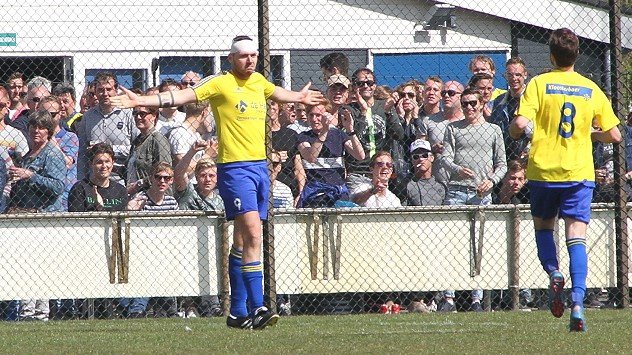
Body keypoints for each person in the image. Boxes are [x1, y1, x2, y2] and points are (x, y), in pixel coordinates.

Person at [110, 35, 324, 330]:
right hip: (234, 170)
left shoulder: (259, 81)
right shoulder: (220, 83)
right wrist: (143, 100)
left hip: (260, 168)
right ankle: (259, 305)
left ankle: (236, 312)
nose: (249, 61)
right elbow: (182, 97)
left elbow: (277, 93)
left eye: (253, 56)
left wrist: (300, 98)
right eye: (243, 56)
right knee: (253, 234)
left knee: (241, 240)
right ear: (230, 59)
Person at [509, 28, 622, 332]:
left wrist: (516, 130)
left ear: (551, 55)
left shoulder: (539, 84)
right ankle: (578, 303)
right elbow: (614, 134)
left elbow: (520, 122)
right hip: (578, 173)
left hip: (544, 171)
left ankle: (553, 272)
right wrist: (589, 133)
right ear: (577, 55)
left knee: (544, 227)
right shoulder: (589, 88)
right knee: (577, 237)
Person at [8, 110, 65, 321]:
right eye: (33, 127)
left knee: (41, 265)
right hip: (25, 216)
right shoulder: (26, 156)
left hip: (45, 217)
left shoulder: (52, 154)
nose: (36, 131)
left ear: (49, 131)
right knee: (26, 265)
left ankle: (41, 312)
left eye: (41, 127)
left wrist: (31, 175)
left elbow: (58, 186)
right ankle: (26, 311)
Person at [124, 162, 180, 318]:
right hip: (144, 250)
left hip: (165, 250)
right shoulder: (142, 200)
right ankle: (138, 308)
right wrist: (131, 209)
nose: (162, 181)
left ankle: (167, 306)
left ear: (171, 181)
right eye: (158, 177)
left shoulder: (171, 202)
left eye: (166, 178)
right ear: (151, 178)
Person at [297, 100, 364, 208]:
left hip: (338, 190)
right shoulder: (303, 136)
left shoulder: (338, 135)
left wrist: (350, 131)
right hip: (316, 191)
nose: (314, 119)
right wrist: (324, 132)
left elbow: (360, 155)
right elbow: (311, 157)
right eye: (311, 115)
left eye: (318, 115)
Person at [76, 72, 138, 184]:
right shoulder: (88, 117)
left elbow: (136, 149)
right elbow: (82, 153)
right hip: (94, 180)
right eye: (100, 90)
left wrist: (107, 149)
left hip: (122, 179)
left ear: (116, 90)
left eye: (108, 89)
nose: (105, 94)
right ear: (95, 91)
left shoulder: (128, 114)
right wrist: (81, 181)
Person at [420, 80, 464, 183]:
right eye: (443, 93)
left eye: (451, 93)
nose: (446, 96)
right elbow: (418, 149)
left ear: (461, 96)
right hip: (438, 183)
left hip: (464, 182)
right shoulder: (428, 121)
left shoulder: (469, 120)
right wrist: (432, 149)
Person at [40, 96, 79, 211]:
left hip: (64, 198)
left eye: (52, 115)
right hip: (41, 196)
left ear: (60, 114)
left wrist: (51, 139)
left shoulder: (70, 137)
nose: (48, 119)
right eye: (44, 114)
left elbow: (67, 163)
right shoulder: (35, 136)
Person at [489, 57, 530, 162]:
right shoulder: (499, 101)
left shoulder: (533, 99)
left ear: (525, 75)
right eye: (510, 75)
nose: (514, 78)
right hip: (504, 156)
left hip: (527, 156)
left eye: (518, 75)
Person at [125, 106, 172, 196]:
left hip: (154, 196)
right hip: (136, 195)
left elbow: (165, 171)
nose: (138, 117)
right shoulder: (137, 140)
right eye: (135, 114)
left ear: (154, 115)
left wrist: (139, 184)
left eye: (142, 114)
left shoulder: (157, 139)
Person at [404, 139, 446, 206]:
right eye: (416, 157)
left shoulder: (441, 187)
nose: (420, 159)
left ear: (432, 158)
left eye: (425, 155)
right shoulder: (407, 186)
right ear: (412, 161)